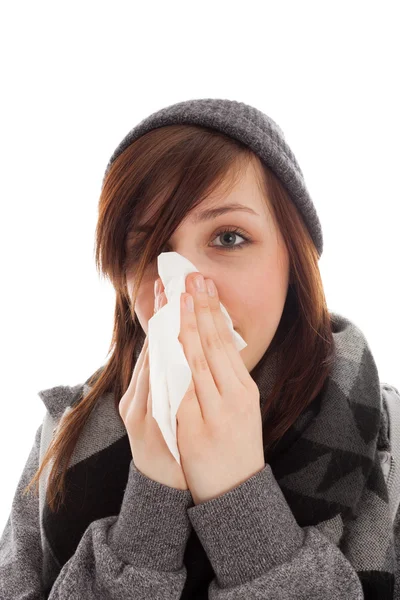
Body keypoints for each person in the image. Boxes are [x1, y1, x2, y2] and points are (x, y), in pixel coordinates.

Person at [1, 97, 398, 599]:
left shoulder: (390, 435)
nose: (183, 286)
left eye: (228, 237)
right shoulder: (61, 441)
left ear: (293, 260)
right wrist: (151, 499)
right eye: (146, 249)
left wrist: (240, 502)